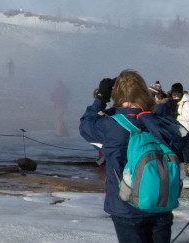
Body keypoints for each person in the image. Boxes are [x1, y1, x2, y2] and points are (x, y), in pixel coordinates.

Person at [79, 70, 184, 243]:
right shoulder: (160, 121)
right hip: (162, 202)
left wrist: (100, 99)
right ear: (144, 92)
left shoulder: (110, 125)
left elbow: (86, 126)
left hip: (127, 208)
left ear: (117, 95)